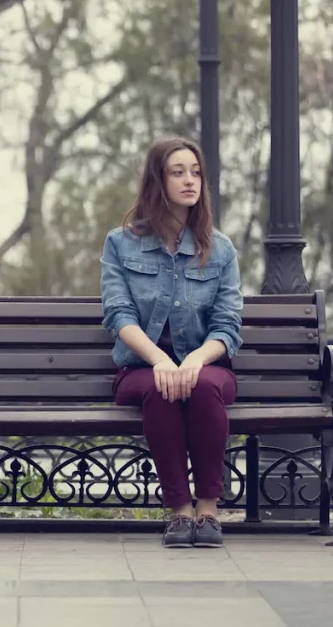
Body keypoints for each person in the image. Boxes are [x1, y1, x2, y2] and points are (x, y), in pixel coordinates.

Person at [100, 135, 243, 548]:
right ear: (157, 181)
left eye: (195, 172)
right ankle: (179, 513)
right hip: (140, 368)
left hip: (208, 367)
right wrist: (160, 359)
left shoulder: (220, 250)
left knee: (199, 384)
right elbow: (118, 315)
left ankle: (209, 511)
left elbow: (228, 324)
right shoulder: (121, 242)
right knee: (161, 387)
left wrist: (197, 358)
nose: (189, 181)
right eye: (177, 172)